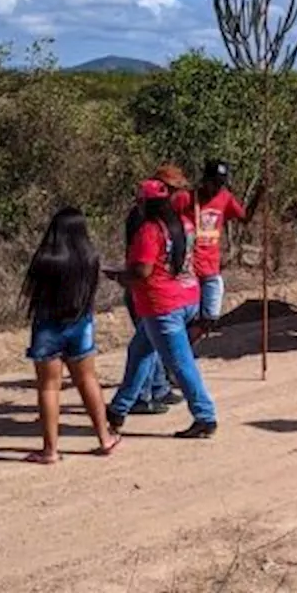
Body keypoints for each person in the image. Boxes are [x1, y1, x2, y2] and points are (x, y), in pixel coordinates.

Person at [106, 179, 218, 439]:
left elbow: (142, 270)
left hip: (161, 306)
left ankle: (205, 416)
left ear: (146, 203)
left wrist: (119, 276)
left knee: (180, 363)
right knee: (140, 350)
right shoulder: (186, 223)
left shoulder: (149, 230)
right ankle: (118, 409)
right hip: (187, 296)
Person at [21, 207, 121, 463]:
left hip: (47, 325)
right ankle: (105, 437)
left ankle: (50, 450)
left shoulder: (46, 259)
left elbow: (34, 293)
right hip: (80, 323)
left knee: (48, 386)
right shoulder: (90, 258)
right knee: (88, 379)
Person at [120, 164, 190, 413]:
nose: (175, 194)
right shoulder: (144, 218)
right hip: (144, 288)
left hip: (157, 287)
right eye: (171, 189)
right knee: (146, 343)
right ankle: (141, 395)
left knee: (150, 344)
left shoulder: (160, 215)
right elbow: (143, 262)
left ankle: (158, 388)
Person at [173, 159, 250, 343]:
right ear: (204, 180)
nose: (216, 188)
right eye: (214, 183)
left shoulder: (225, 198)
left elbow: (243, 217)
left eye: (220, 183)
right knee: (187, 317)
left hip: (211, 268)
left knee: (210, 317)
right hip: (188, 269)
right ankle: (176, 357)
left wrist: (260, 194)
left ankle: (183, 350)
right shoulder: (186, 199)